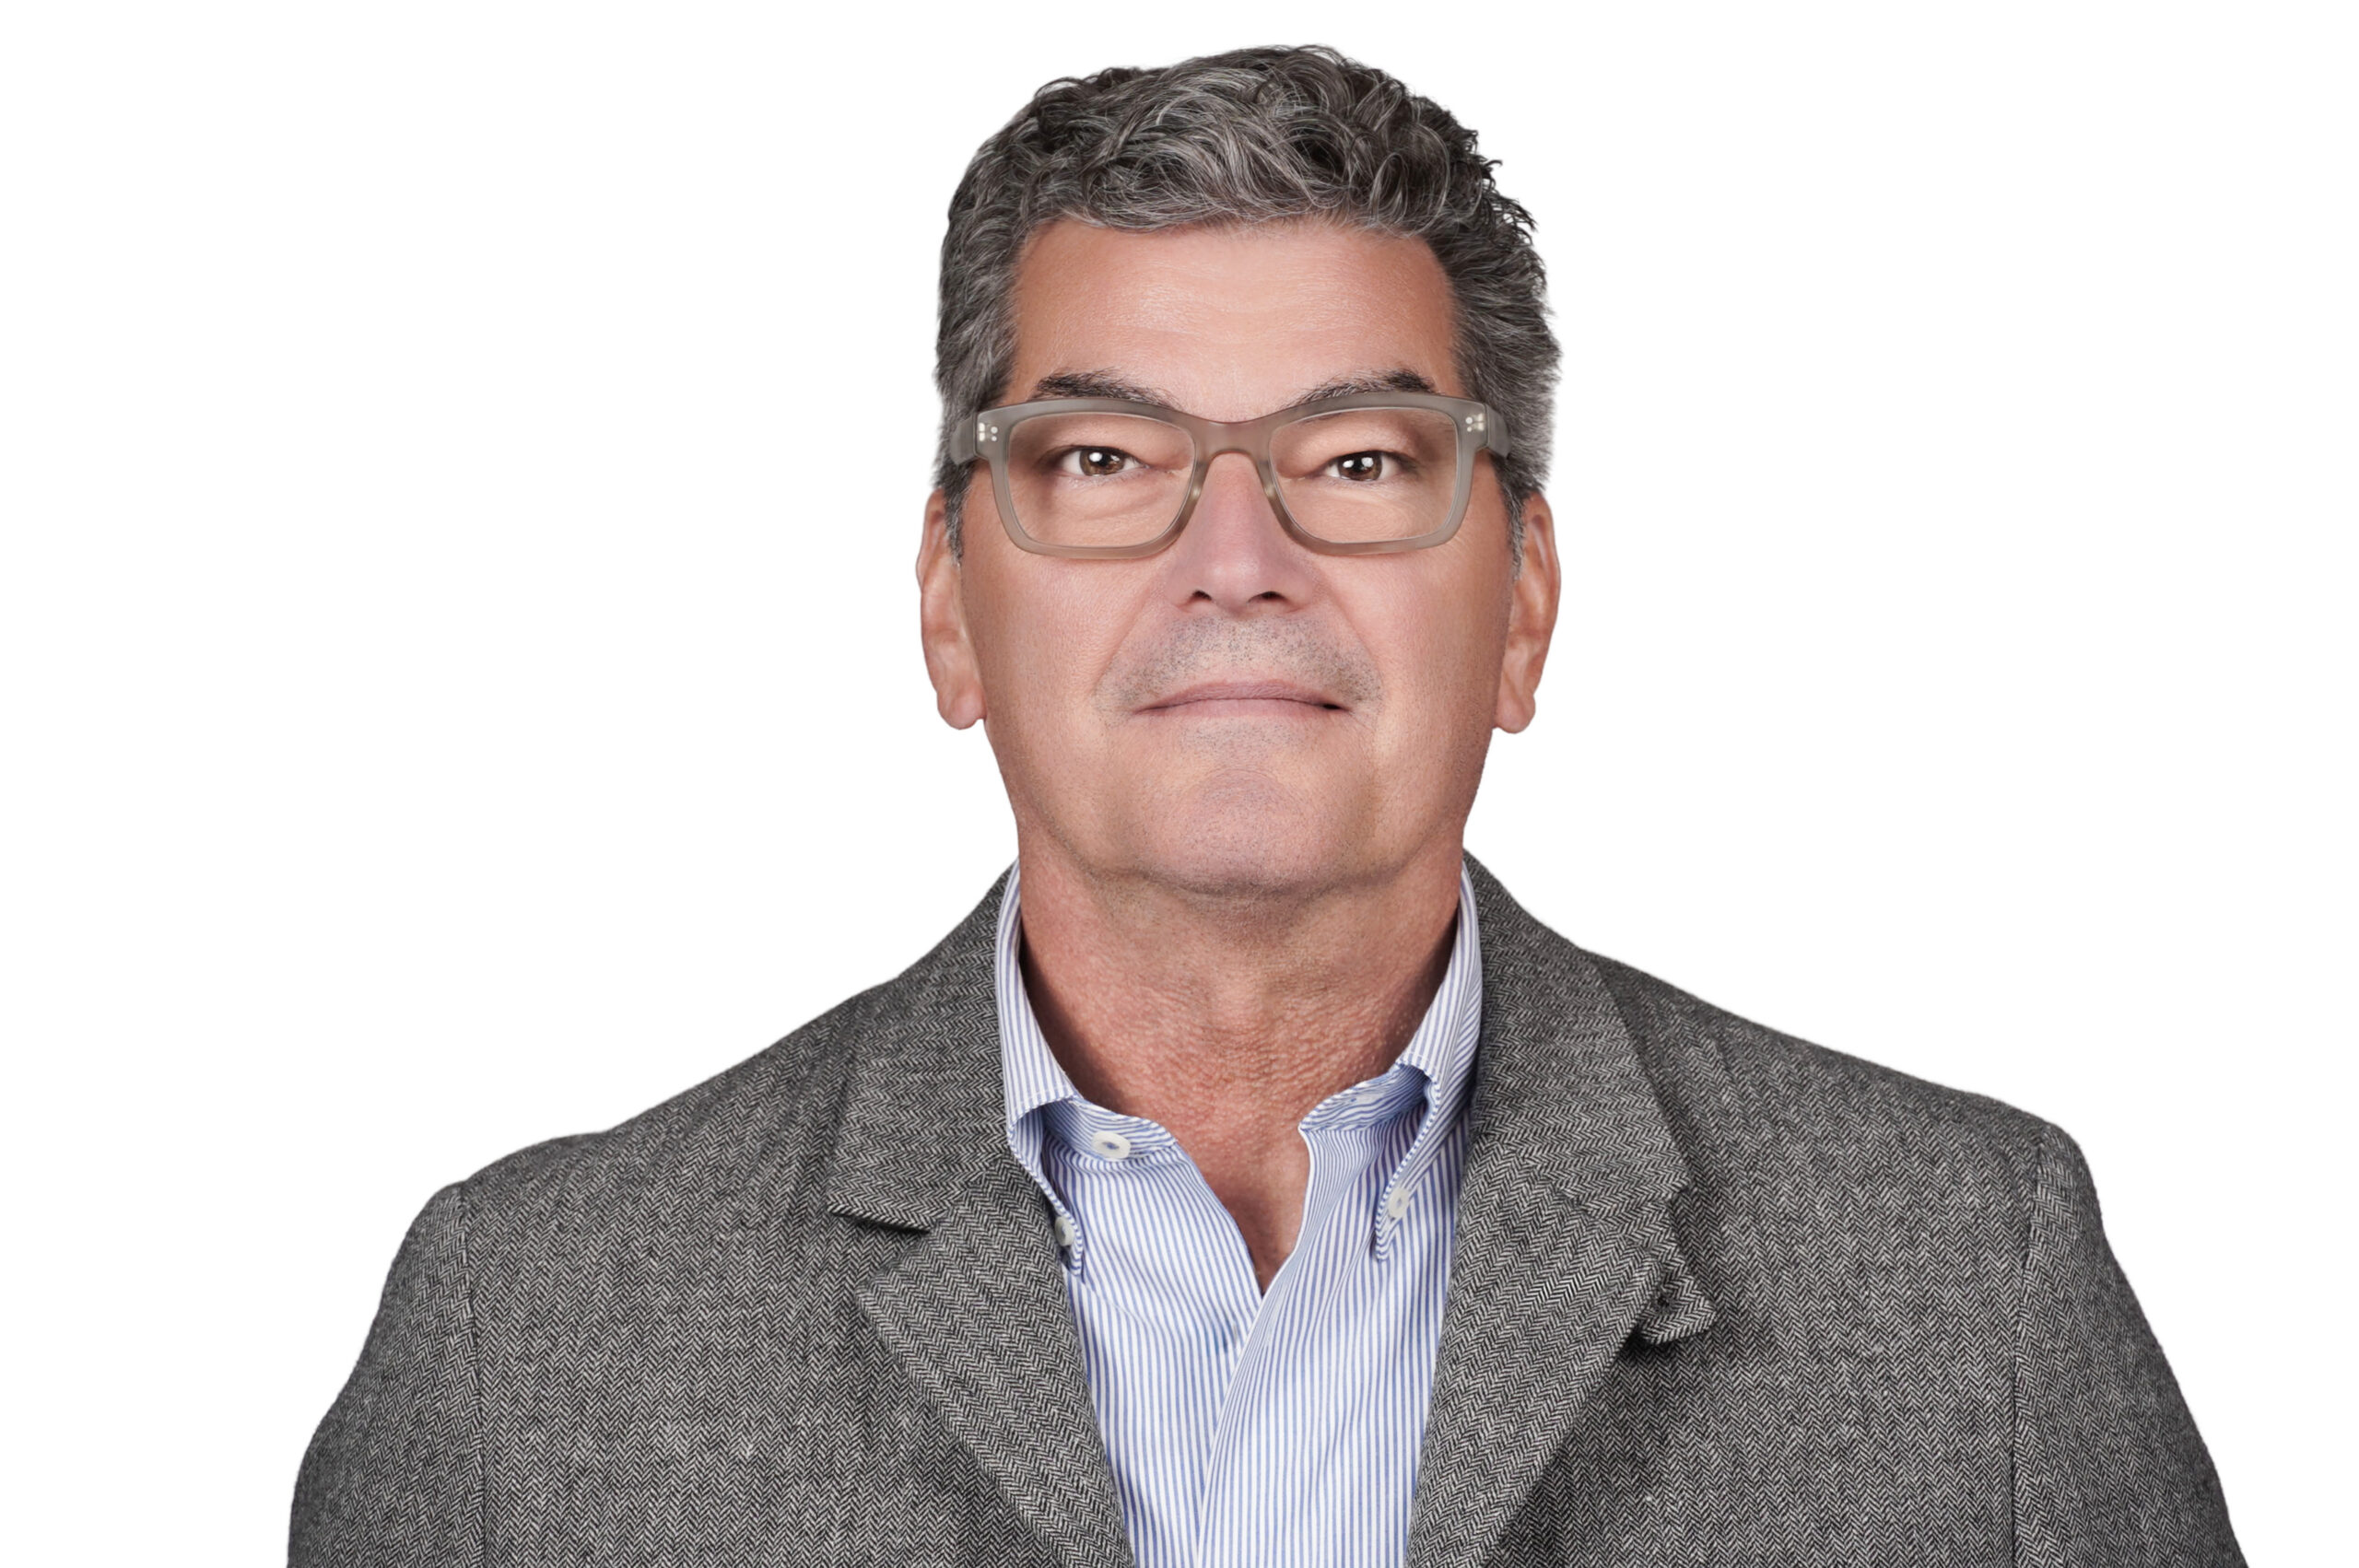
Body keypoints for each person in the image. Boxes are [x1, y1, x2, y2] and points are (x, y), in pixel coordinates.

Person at [291, 44, 2241, 1567]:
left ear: (1521, 607)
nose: (1237, 553)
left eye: (1366, 456)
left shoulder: (1967, 1287)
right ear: (947, 605)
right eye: (1104, 453)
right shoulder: (525, 1341)